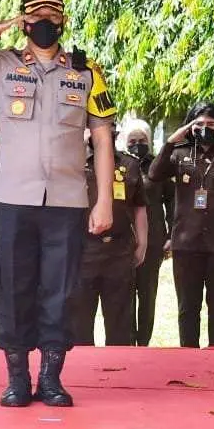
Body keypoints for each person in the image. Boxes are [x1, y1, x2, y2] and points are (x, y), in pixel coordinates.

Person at [0, 0, 115, 408]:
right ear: (24, 22)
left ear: (63, 21)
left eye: (52, 17)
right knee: (11, 288)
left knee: (62, 288)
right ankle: (17, 378)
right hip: (15, 200)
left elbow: (103, 139)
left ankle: (50, 378)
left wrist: (103, 198)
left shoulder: (86, 72)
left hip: (68, 200)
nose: (44, 25)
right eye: (35, 18)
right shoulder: (1, 65)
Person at [148, 102, 214, 348]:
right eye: (199, 124)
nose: (205, 129)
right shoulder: (181, 153)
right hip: (186, 243)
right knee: (188, 307)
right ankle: (188, 357)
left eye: (211, 124)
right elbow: (154, 175)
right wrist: (170, 142)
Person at [69, 131, 146, 346]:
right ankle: (84, 373)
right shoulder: (75, 162)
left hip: (119, 250)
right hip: (83, 250)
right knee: (80, 322)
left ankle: (120, 371)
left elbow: (140, 206)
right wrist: (80, 147)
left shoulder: (130, 164)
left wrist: (143, 243)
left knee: (120, 322)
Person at [126, 124, 171, 345]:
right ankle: (127, 341)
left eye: (141, 140)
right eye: (132, 141)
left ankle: (143, 343)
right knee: (124, 296)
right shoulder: (120, 165)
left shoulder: (158, 168)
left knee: (147, 294)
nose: (137, 145)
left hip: (153, 240)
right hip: (123, 242)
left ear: (150, 141)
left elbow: (173, 202)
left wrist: (172, 233)